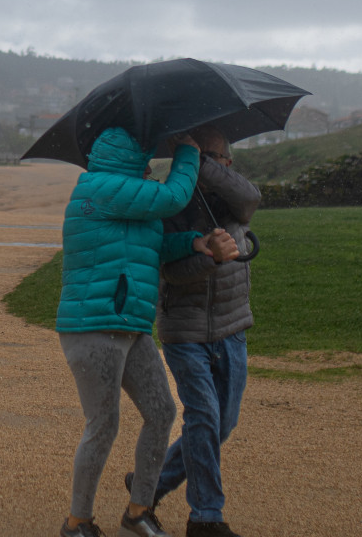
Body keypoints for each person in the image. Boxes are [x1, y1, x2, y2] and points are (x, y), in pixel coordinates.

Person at [56, 126, 234, 537]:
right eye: (146, 153)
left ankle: (138, 512)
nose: (153, 158)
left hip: (130, 325)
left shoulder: (128, 193)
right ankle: (77, 522)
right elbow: (173, 197)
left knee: (162, 413)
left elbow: (151, 244)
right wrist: (188, 153)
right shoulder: (98, 188)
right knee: (104, 423)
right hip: (93, 325)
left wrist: (194, 243)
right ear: (128, 156)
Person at [127, 125, 259, 537]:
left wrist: (199, 160)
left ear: (225, 164)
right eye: (194, 158)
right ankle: (206, 517)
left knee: (224, 423)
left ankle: (149, 485)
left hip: (231, 325)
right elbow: (172, 273)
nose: (203, 166)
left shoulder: (232, 199)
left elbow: (251, 199)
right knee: (203, 417)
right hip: (184, 331)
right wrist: (209, 257)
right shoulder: (169, 202)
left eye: (213, 158)